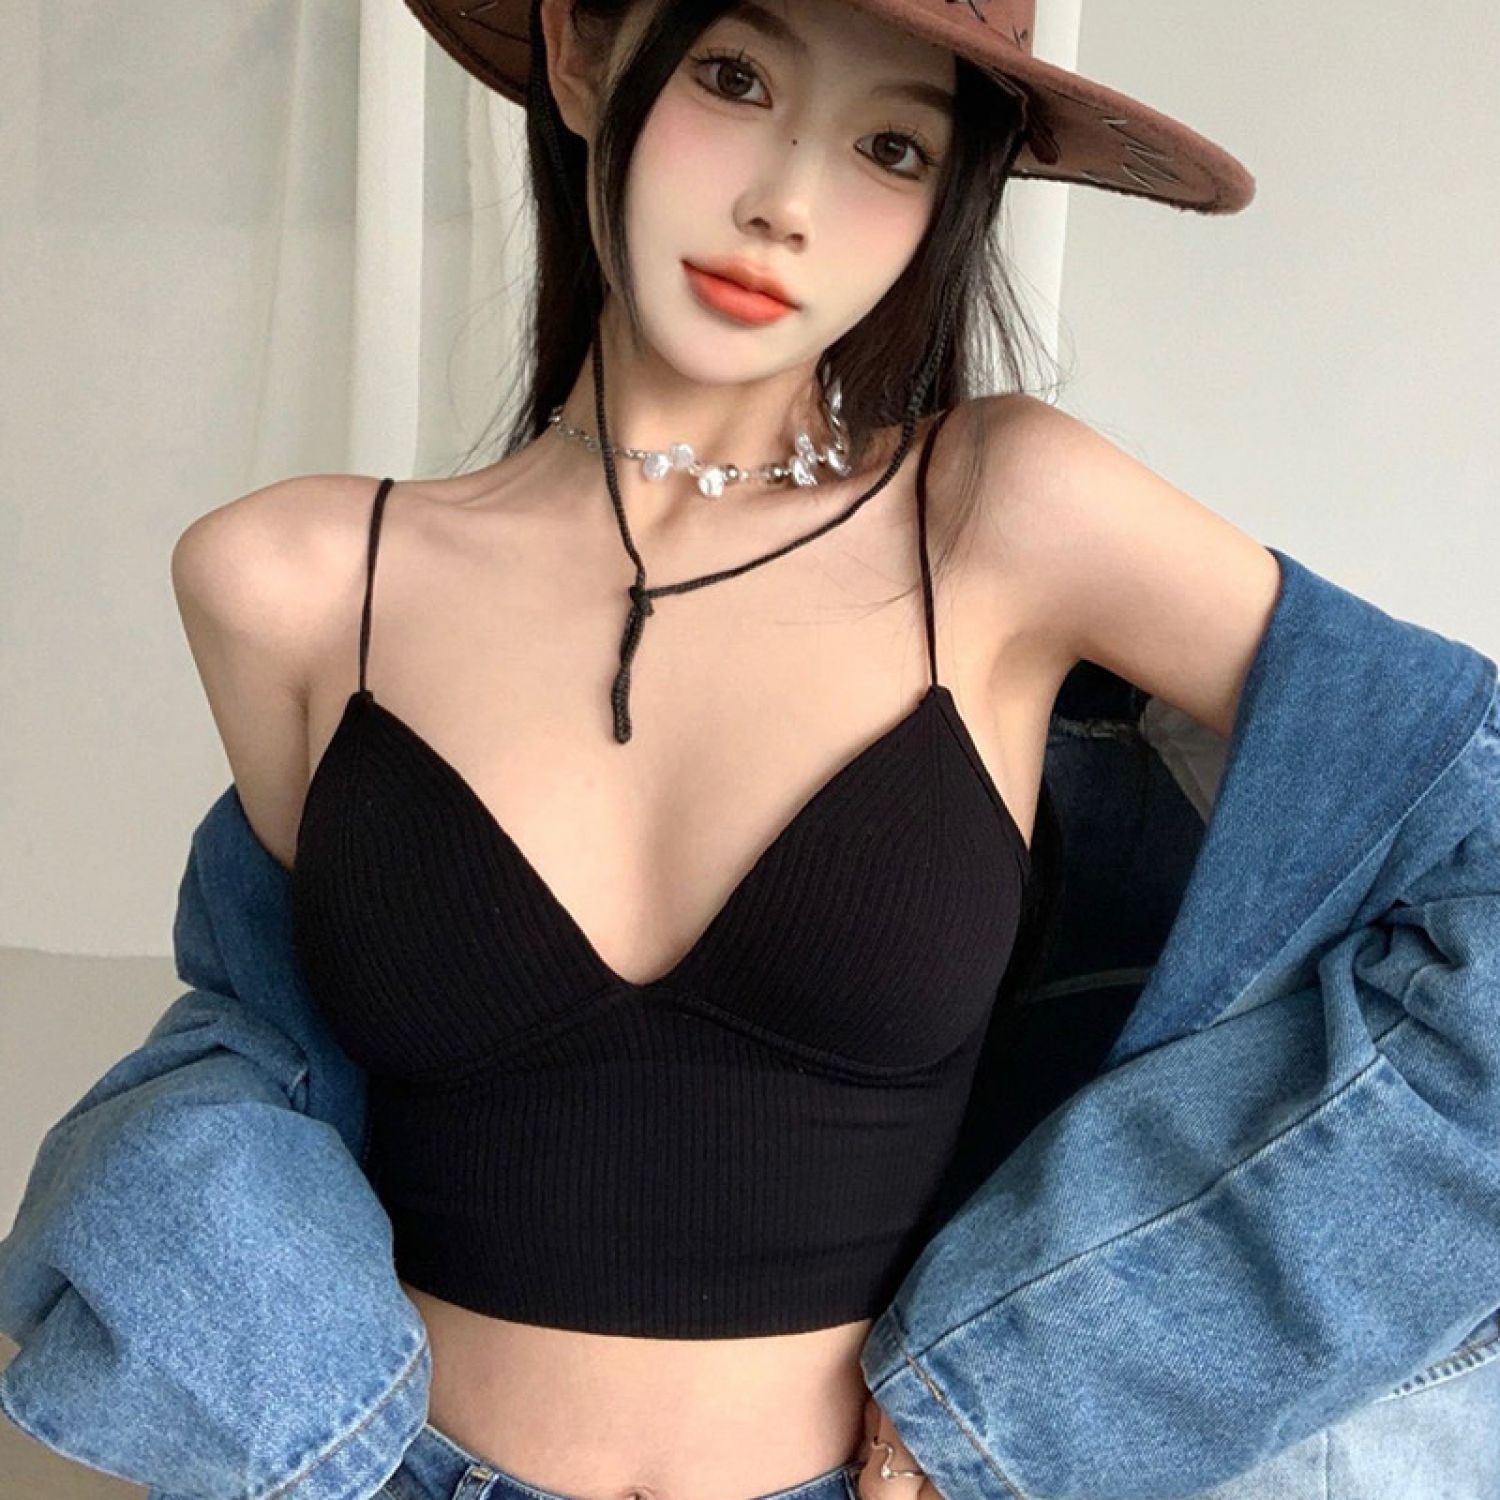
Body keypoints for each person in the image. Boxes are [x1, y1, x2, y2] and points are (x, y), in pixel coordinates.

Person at [164, 0, 1278, 1496]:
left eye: (894, 147)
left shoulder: (1007, 521)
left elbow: (1460, 846)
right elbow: (271, 1078)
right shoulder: (292, 584)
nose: (786, 204)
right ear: (582, 57)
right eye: (734, 77)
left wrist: (1051, 1365)